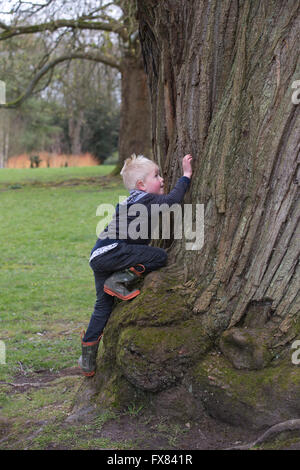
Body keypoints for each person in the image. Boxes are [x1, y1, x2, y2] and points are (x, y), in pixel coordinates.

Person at [78, 153, 193, 376]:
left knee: (103, 306)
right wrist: (186, 175)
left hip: (99, 255)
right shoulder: (144, 199)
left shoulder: (129, 201)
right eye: (156, 176)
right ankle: (118, 280)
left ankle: (87, 358)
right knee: (159, 256)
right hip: (114, 251)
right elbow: (171, 201)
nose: (161, 180)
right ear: (141, 185)